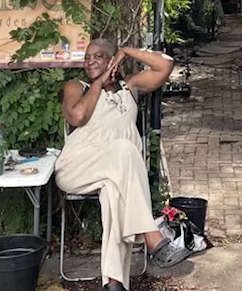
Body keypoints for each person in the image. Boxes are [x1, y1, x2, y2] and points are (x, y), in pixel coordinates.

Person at [56, 40, 189, 290]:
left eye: (98, 56)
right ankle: (152, 236)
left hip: (118, 173)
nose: (90, 61)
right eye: (87, 58)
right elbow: (77, 116)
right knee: (125, 149)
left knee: (114, 193)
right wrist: (99, 81)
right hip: (78, 167)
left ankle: (114, 283)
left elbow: (166, 65)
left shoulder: (130, 86)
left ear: (112, 60)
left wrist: (126, 51)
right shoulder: (78, 87)